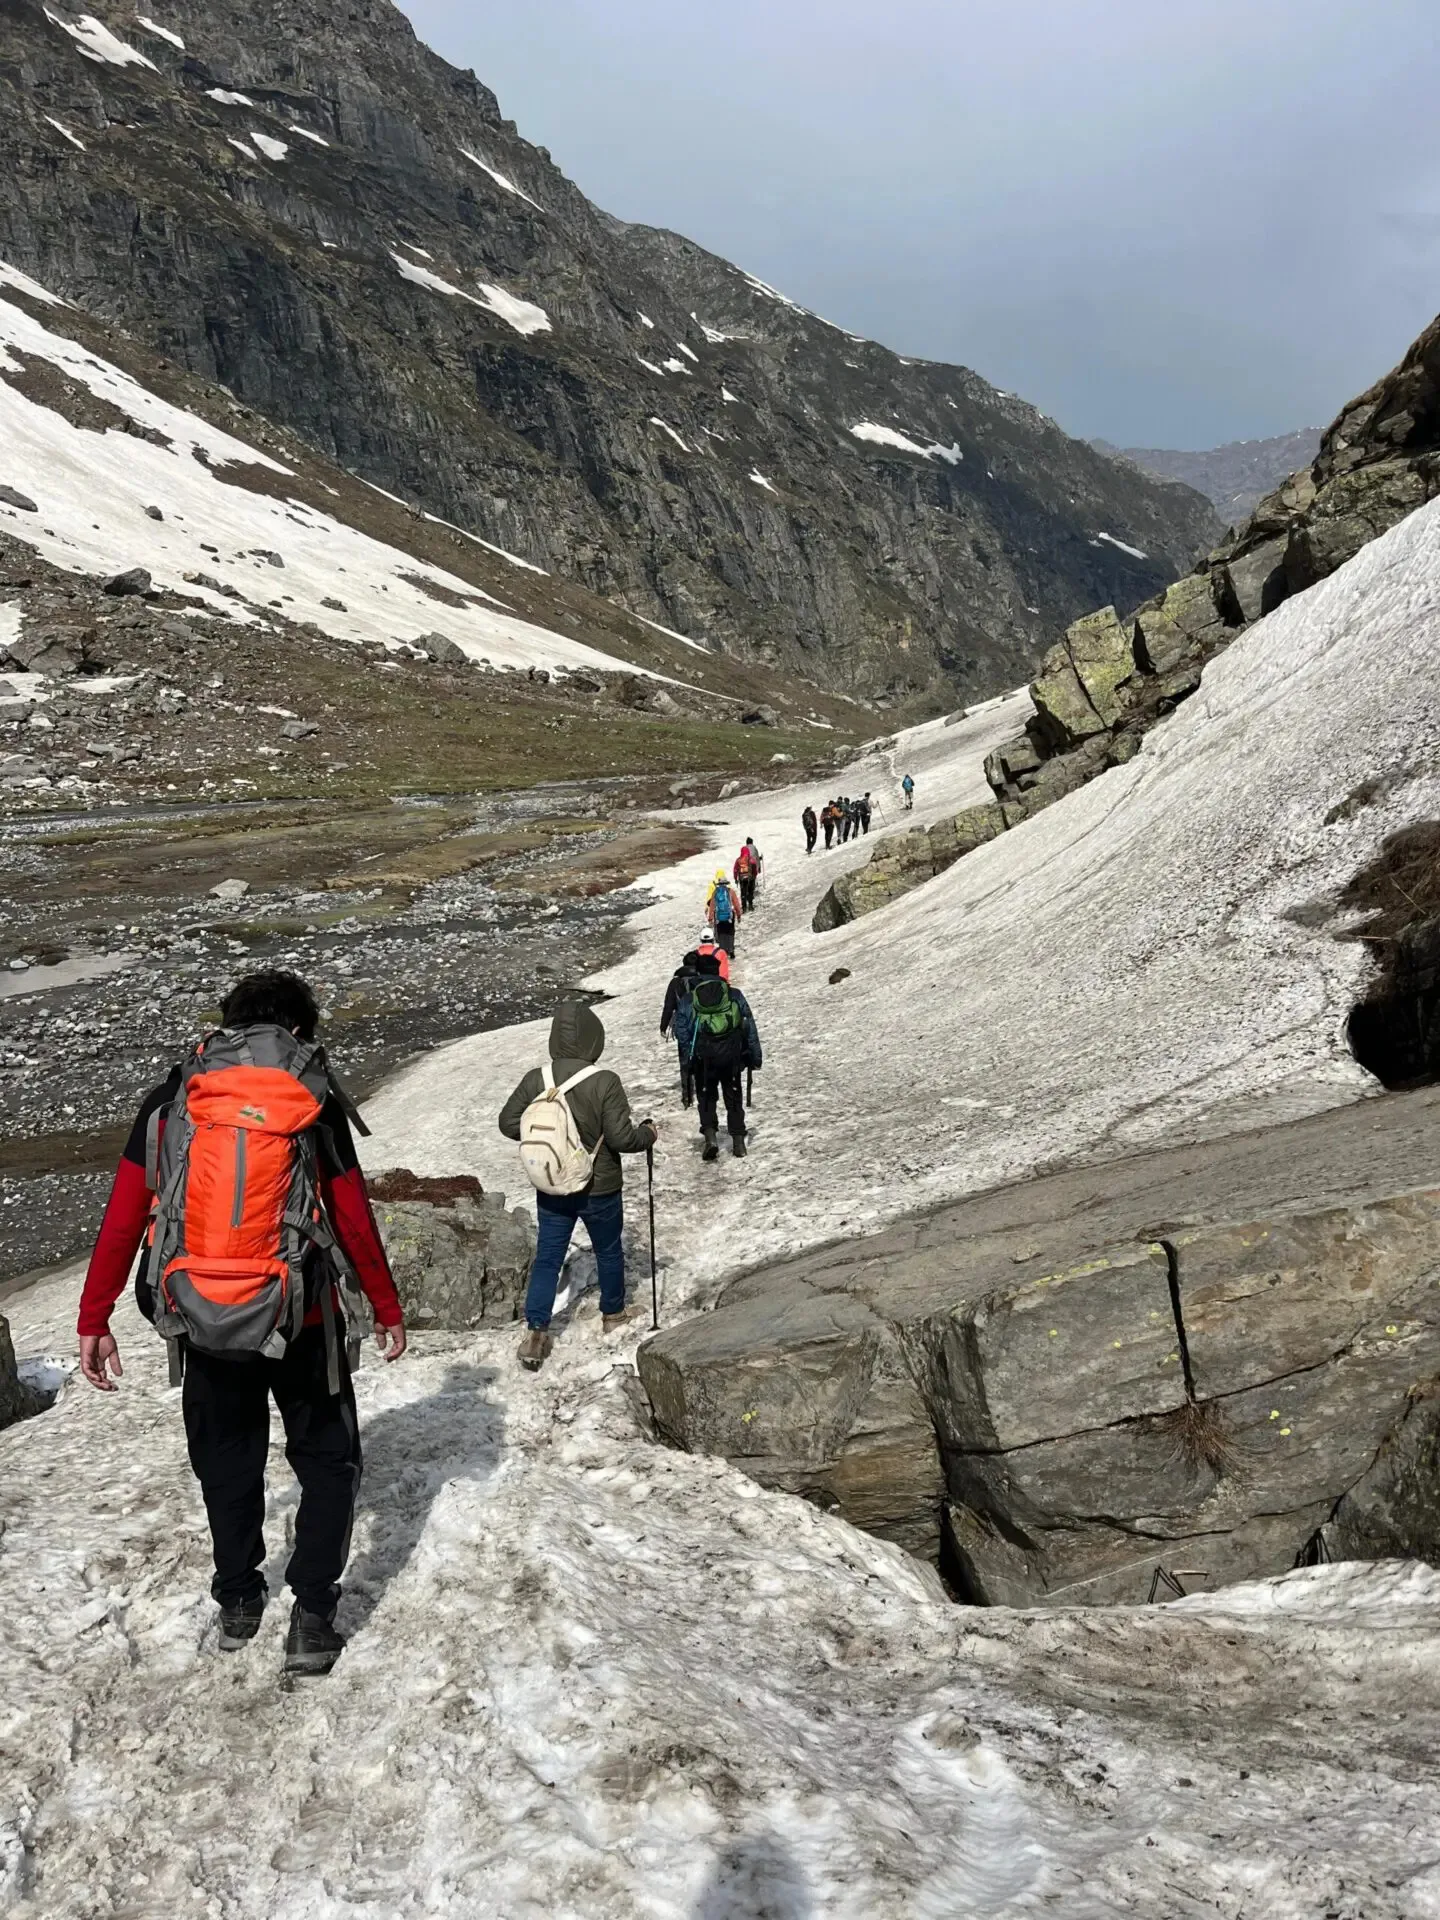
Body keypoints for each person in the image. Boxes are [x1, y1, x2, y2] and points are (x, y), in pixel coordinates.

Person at [77, 969, 406, 1676]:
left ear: (227, 1024)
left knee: (226, 1459)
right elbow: (351, 1215)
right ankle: (312, 1617)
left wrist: (94, 1314)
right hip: (304, 1316)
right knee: (326, 1460)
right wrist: (384, 1305)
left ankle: (238, 1599)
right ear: (300, 1030)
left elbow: (125, 1213)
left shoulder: (175, 1099)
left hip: (203, 1317)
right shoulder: (306, 1096)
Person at [499, 1002, 657, 1372]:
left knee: (549, 1258)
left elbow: (508, 1124)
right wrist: (647, 1134)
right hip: (598, 1186)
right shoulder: (604, 1081)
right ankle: (613, 1314)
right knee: (608, 1250)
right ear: (593, 1038)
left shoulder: (536, 1079)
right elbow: (620, 1138)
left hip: (552, 1186)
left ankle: (537, 1331)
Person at [688, 970, 763, 1161]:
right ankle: (738, 1143)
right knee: (733, 1098)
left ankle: (711, 1137)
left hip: (704, 1060)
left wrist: (688, 1062)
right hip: (732, 1057)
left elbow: (686, 1031)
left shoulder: (693, 998)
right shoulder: (733, 995)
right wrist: (755, 1056)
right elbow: (748, 1025)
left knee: (706, 1097)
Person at [660, 935, 725, 1103]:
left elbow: (669, 1005)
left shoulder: (675, 983)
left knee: (684, 1060)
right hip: (703, 1023)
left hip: (682, 1025)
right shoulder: (701, 981)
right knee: (702, 1056)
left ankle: (686, 1096)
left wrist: (663, 1026)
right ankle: (705, 1089)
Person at [707, 866, 741, 956]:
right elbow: (737, 905)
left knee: (721, 933)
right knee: (730, 931)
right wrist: (738, 915)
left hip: (719, 916)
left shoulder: (715, 892)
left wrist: (710, 918)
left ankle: (723, 951)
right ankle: (731, 949)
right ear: (726, 883)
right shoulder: (730, 891)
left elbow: (712, 906)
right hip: (730, 916)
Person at [734, 838, 761, 913]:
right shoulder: (751, 859)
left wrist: (735, 878)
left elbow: (735, 870)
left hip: (742, 879)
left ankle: (744, 907)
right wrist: (755, 875)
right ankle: (750, 905)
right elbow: (755, 869)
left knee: (743, 892)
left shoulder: (738, 860)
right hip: (751, 878)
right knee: (750, 891)